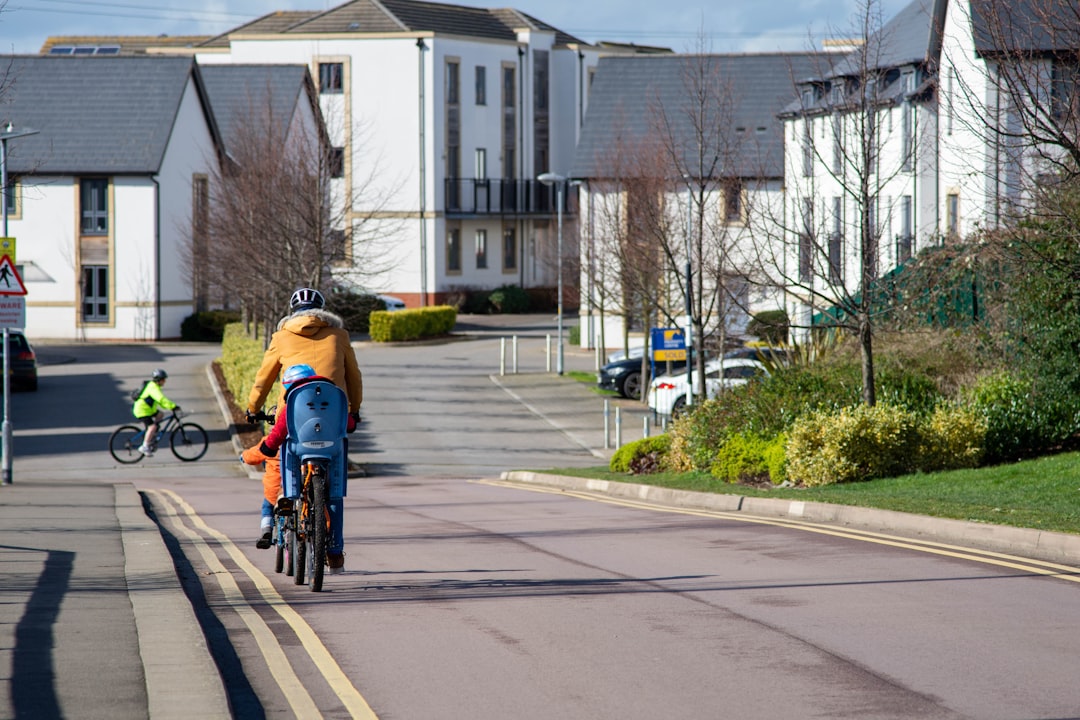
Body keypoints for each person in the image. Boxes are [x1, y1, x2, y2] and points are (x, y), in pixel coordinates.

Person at [246, 288, 362, 571]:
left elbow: (264, 378)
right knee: (333, 490)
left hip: (293, 417)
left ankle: (285, 509)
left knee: (286, 468)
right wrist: (354, 410)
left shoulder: (281, 337)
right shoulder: (339, 335)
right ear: (322, 310)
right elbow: (354, 377)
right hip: (333, 421)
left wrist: (252, 407)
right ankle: (334, 551)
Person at [133, 368, 179, 456]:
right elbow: (161, 399)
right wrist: (173, 406)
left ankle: (151, 434)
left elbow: (160, 402)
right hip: (142, 410)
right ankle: (145, 446)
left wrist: (169, 407)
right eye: (163, 379)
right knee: (152, 426)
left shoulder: (154, 386)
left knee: (160, 414)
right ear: (159, 380)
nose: (165, 381)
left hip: (148, 410)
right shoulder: (153, 388)